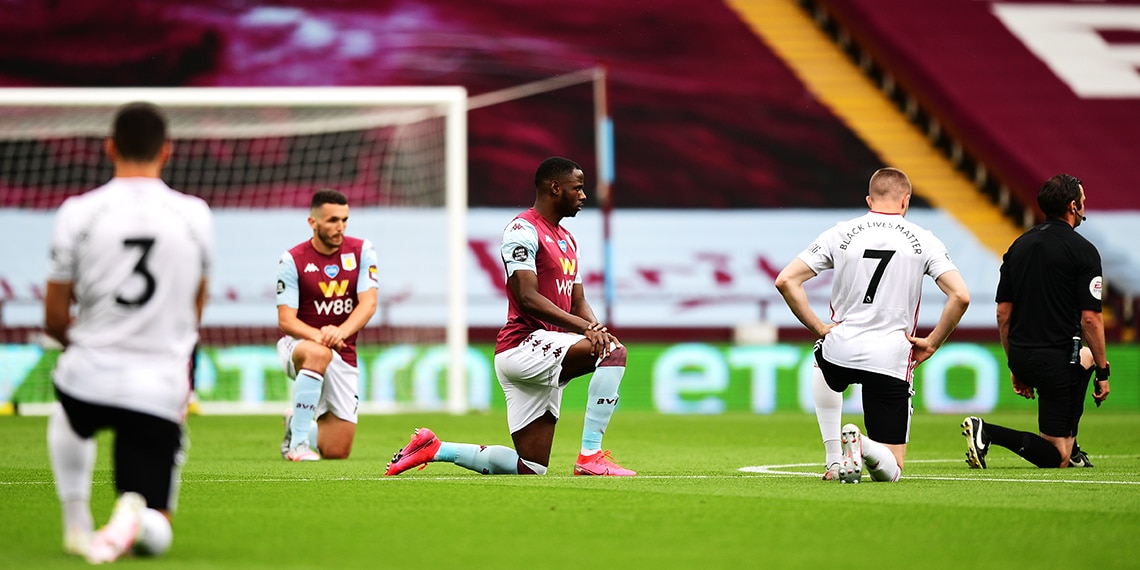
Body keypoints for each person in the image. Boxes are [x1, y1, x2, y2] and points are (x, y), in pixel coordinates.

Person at [385, 156, 635, 477]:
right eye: (579, 188)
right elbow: (527, 297)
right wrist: (589, 331)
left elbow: (578, 300)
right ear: (555, 188)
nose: (584, 195)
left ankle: (435, 448)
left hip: (546, 348)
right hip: (524, 345)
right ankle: (590, 455)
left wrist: (596, 328)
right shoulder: (522, 229)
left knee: (530, 467)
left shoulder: (568, 240)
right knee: (613, 353)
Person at [44, 101, 213, 563]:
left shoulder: (78, 212)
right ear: (167, 151)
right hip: (159, 388)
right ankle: (134, 510)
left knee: (67, 409)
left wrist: (94, 339)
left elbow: (55, 317)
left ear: (110, 147)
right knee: (158, 531)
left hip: (88, 377)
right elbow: (195, 307)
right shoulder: (195, 215)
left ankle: (76, 520)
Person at [775, 167, 970, 483]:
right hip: (890, 357)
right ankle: (862, 444)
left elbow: (786, 280)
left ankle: (833, 460)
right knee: (890, 470)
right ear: (905, 201)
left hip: (841, 347)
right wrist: (932, 342)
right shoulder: (924, 240)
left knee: (821, 360)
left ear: (869, 199)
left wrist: (820, 328)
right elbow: (960, 296)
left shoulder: (840, 232)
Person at [962, 174, 1110, 469]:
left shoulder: (1018, 246)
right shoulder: (1084, 251)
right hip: (1057, 361)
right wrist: (1104, 372)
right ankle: (988, 431)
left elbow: (1003, 313)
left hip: (1023, 355)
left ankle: (1072, 440)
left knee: (1084, 358)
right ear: (1072, 206)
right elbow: (1091, 318)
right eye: (1082, 200)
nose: (1085, 204)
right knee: (1057, 457)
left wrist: (1014, 363)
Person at [276, 189, 378, 461]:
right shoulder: (293, 260)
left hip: (343, 350)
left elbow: (368, 304)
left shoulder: (362, 251)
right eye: (332, 220)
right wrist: (321, 336)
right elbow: (286, 320)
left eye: (344, 220)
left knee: (336, 450)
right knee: (318, 352)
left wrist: (340, 332)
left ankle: (296, 424)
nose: (340, 227)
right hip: (299, 346)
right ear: (313, 223)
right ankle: (297, 446)